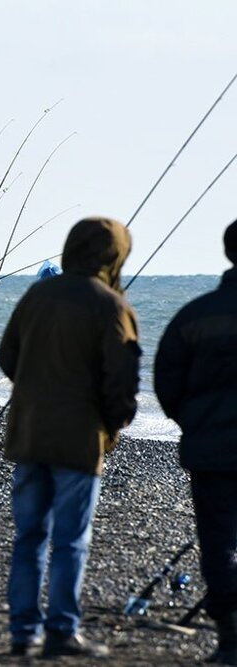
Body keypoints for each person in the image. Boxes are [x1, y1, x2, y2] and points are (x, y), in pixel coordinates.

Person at [0, 217, 140, 658]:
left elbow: (7, 356)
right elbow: (122, 381)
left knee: (29, 536)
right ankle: (61, 629)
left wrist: (37, 388)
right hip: (79, 441)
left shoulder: (39, 294)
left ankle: (23, 631)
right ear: (114, 254)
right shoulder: (112, 305)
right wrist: (112, 426)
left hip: (29, 433)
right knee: (71, 539)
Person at [154, 219, 237, 665]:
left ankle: (229, 637)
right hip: (210, 446)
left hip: (211, 451)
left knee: (219, 540)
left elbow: (166, 380)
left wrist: (190, 422)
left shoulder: (197, 314)